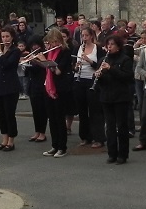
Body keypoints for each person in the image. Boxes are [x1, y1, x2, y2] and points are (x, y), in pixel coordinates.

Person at [96, 35, 134, 164]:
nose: (109, 47)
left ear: (118, 46)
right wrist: (97, 75)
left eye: (112, 44)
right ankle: (112, 153)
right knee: (110, 127)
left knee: (122, 126)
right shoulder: (103, 59)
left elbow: (127, 77)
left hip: (121, 97)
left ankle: (123, 154)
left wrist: (111, 69)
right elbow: (99, 80)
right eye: (108, 44)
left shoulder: (125, 59)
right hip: (106, 97)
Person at [36, 28, 72, 158]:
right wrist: (38, 60)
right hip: (48, 87)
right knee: (51, 118)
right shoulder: (50, 52)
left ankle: (62, 147)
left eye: (55, 42)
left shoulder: (65, 52)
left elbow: (58, 71)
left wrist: (44, 61)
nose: (53, 44)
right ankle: (54, 145)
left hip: (60, 88)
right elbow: (46, 69)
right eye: (51, 42)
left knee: (59, 118)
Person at [0, 26, 21, 151]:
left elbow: (7, 64)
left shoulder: (15, 51)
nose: (5, 39)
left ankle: (11, 141)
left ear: (12, 37)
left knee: (9, 114)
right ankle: (4, 139)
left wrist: (0, 51)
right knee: (0, 114)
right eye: (3, 37)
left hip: (10, 87)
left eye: (7, 36)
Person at [72, 26, 106, 149]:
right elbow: (73, 66)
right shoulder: (78, 48)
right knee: (82, 110)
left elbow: (101, 66)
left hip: (92, 80)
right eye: (82, 36)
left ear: (91, 36)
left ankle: (98, 138)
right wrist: (76, 66)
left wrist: (89, 61)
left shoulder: (98, 49)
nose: (84, 38)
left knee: (95, 110)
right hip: (79, 80)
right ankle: (85, 137)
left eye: (86, 35)